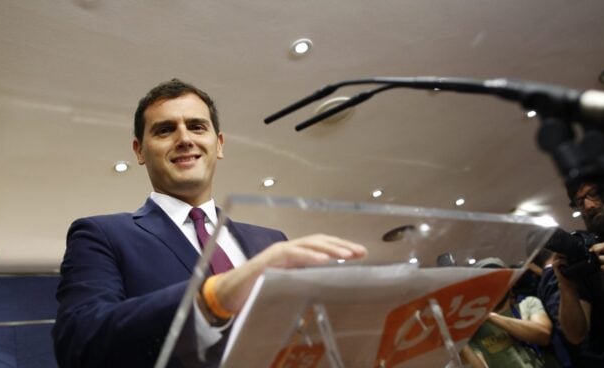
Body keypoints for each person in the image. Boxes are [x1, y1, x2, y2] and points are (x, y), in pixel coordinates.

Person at [51, 79, 367, 368]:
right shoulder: (101, 235)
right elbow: (79, 343)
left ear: (218, 144)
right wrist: (214, 298)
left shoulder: (272, 242)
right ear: (139, 151)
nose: (184, 138)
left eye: (196, 127)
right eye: (164, 130)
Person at [553, 180, 604, 367]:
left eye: (594, 194)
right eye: (580, 202)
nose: (588, 206)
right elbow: (575, 335)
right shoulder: (590, 255)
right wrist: (566, 287)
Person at [465, 257, 554, 368]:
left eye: (499, 279)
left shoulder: (528, 303)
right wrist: (460, 342)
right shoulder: (474, 328)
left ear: (510, 282)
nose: (493, 285)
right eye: (486, 282)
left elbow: (543, 335)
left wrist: (489, 315)